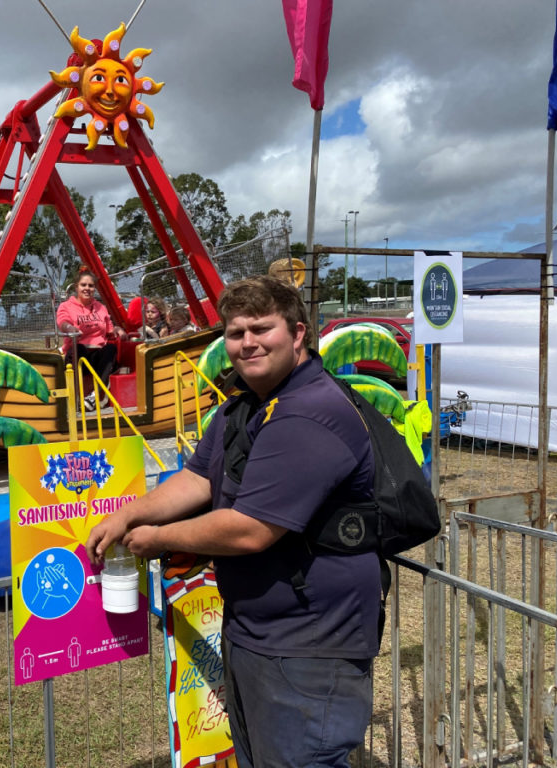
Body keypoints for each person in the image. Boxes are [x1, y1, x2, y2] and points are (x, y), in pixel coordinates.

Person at [85, 276, 378, 768]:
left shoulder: (311, 413)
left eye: (262, 328)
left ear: (299, 333)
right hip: (255, 632)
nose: (247, 342)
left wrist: (155, 538)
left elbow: (251, 528)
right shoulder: (242, 408)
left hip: (310, 643)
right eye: (236, 331)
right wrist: (129, 512)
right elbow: (198, 478)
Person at [57, 269, 127, 410]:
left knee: (111, 349)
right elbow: (62, 322)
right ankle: (72, 397)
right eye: (83, 285)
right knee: (79, 348)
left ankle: (94, 397)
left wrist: (118, 329)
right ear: (76, 287)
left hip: (97, 355)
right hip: (79, 352)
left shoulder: (100, 307)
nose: (87, 289)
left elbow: (109, 329)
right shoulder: (66, 306)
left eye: (91, 286)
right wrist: (70, 328)